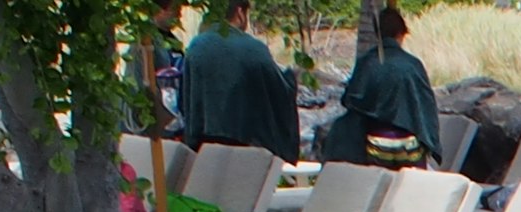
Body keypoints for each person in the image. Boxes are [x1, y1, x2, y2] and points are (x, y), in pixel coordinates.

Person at [313, 6, 439, 169]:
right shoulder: (413, 65)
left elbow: (350, 100)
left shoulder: (367, 62)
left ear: (377, 34)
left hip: (376, 143)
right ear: (401, 34)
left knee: (381, 189)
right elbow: (427, 107)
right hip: (410, 147)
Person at [181, 0, 303, 161]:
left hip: (204, 147)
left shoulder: (196, 46)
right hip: (246, 148)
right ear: (239, 12)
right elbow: (277, 91)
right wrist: (292, 77)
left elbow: (186, 97)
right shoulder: (253, 49)